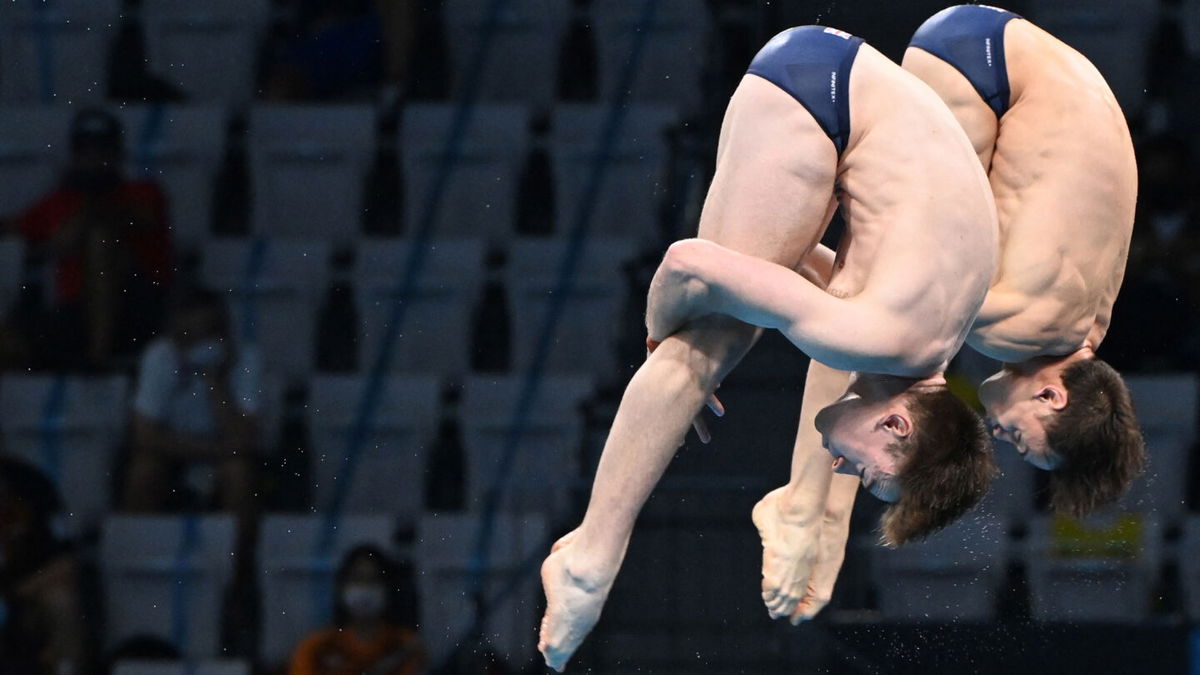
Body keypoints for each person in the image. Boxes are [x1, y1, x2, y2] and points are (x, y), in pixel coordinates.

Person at [539, 24, 999, 671]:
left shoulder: (931, 337)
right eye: (867, 472)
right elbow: (685, 265)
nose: (844, 472)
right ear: (897, 421)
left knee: (738, 305)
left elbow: (800, 264)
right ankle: (593, 559)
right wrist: (661, 346)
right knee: (707, 342)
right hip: (819, 94)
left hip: (842, 88)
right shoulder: (879, 338)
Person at [902, 5, 1145, 516]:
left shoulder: (1091, 319)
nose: (997, 433)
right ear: (1052, 397)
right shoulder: (1020, 332)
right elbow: (887, 310)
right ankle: (816, 515)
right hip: (973, 64)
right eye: (1019, 438)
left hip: (1019, 52)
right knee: (889, 309)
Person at [7, 108, 172, 371]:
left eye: (103, 150)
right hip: (73, 314)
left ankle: (98, 359)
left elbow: (141, 220)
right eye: (86, 151)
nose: (94, 158)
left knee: (100, 238)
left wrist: (90, 204)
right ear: (74, 155)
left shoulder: (143, 191)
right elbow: (24, 230)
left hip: (135, 311)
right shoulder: (58, 201)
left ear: (118, 153)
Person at [123, 288, 261, 521]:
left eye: (202, 335)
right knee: (144, 471)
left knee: (238, 474)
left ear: (222, 335)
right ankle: (137, 551)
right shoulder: (159, 356)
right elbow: (145, 436)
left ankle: (240, 556)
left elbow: (245, 437)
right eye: (185, 336)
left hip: (224, 458)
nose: (192, 344)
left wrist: (216, 382)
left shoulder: (247, 359)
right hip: (176, 453)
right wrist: (213, 449)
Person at [0, 456, 86, 675]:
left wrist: (12, 595)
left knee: (61, 602)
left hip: (25, 600)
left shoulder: (32, 483)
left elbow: (65, 563)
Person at [288, 545, 426, 675]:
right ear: (342, 587)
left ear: (388, 588)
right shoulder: (316, 649)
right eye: (357, 579)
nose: (365, 587)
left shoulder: (406, 646)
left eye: (373, 580)